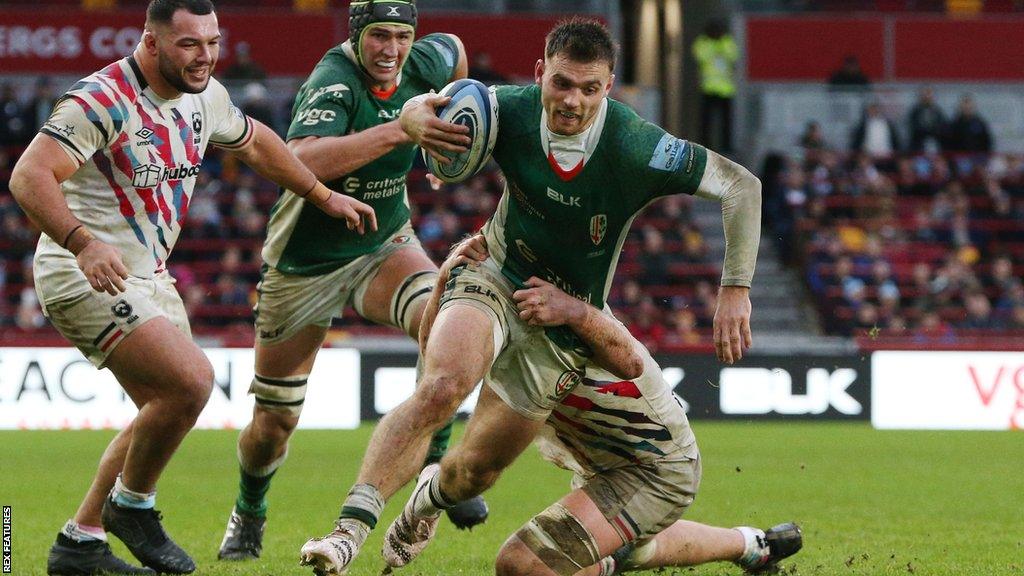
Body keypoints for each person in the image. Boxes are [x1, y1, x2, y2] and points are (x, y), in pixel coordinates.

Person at [299, 17, 766, 576]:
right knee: (444, 385)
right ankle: (348, 533)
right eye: (562, 84)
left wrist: (735, 288)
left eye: (590, 89)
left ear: (609, 87)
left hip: (562, 325)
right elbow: (421, 107)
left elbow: (742, 185)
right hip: (495, 273)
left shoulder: (637, 145)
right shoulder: (505, 109)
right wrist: (414, 118)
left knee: (473, 473)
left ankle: (427, 500)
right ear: (540, 73)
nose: (573, 101)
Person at [9, 1, 375, 574]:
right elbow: (29, 174)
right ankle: (132, 507)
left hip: (149, 277)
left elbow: (256, 144)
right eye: (189, 44)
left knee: (160, 408)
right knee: (190, 383)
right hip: (81, 271)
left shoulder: (206, 96)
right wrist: (83, 241)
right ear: (150, 43)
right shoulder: (100, 98)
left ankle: (79, 542)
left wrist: (323, 196)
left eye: (213, 41)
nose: (205, 56)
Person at [216, 0, 488, 563]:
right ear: (357, 35)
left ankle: (436, 467)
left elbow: (457, 50)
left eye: (401, 36)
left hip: (384, 242)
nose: (391, 50)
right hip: (305, 266)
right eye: (379, 37)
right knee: (274, 423)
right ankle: (248, 509)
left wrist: (447, 141)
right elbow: (303, 158)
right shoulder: (333, 80)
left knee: (446, 320)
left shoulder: (428, 59)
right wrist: (401, 131)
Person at [425, 236, 803, 575]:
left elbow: (629, 360)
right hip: (601, 461)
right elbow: (434, 369)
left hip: (647, 462)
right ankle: (753, 545)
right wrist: (444, 281)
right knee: (631, 550)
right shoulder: (487, 321)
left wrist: (574, 312)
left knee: (523, 564)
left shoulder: (555, 311)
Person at [691, 18, 738, 154]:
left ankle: (726, 146)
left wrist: (719, 46)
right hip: (709, 87)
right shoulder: (703, 42)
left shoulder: (727, 41)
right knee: (706, 120)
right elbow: (701, 56)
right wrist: (716, 47)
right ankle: (705, 143)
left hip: (726, 89)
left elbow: (733, 55)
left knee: (726, 121)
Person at [907, 87, 946, 153]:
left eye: (929, 94)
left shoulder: (937, 111)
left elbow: (942, 126)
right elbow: (912, 127)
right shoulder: (915, 111)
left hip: (936, 145)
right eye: (924, 94)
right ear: (921, 96)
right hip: (918, 146)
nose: (927, 97)